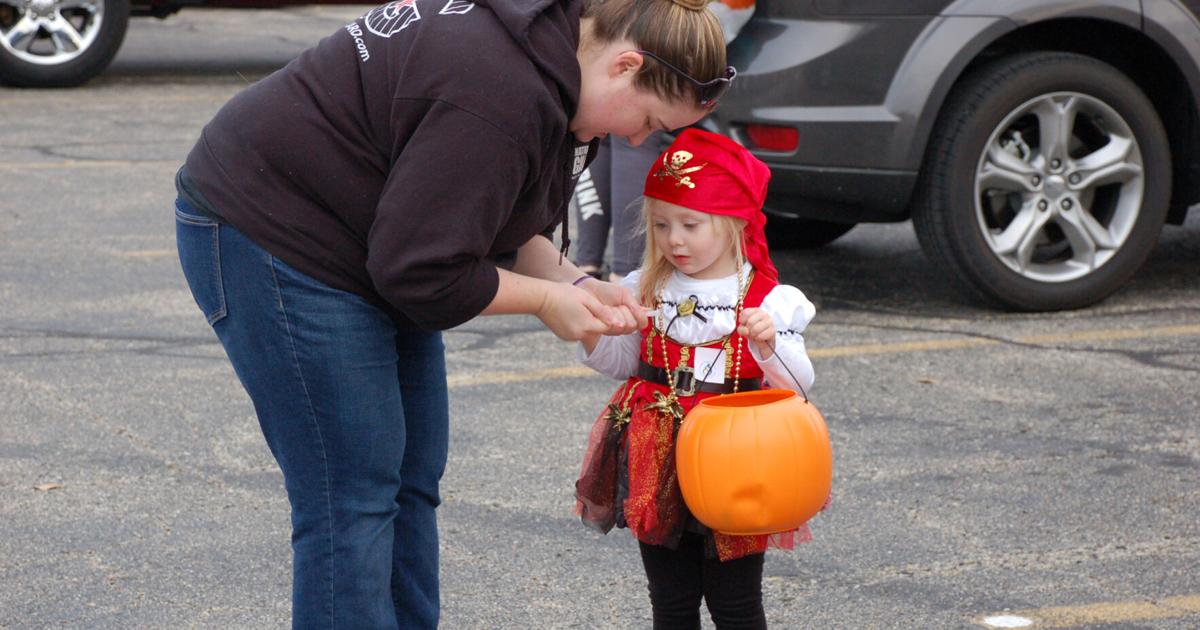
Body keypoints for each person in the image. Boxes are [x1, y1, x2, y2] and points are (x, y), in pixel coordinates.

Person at [173, 0, 735, 626]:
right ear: (625, 64)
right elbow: (422, 271)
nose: (634, 139)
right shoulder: (499, 91)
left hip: (374, 237)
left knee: (411, 478)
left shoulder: (556, 65)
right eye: (649, 119)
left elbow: (481, 212)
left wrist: (572, 279)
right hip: (274, 232)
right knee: (352, 497)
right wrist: (548, 302)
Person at [574, 129, 817, 629]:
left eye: (690, 223)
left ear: (732, 224)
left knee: (736, 603)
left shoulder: (766, 297)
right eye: (661, 224)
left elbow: (798, 385)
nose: (674, 239)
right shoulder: (644, 284)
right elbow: (624, 362)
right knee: (670, 600)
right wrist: (593, 331)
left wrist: (769, 346)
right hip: (655, 453)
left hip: (737, 459)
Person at [571, 0, 756, 284]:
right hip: (671, 24)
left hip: (638, 23)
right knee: (620, 134)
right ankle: (618, 273)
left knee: (610, 130)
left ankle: (595, 269)